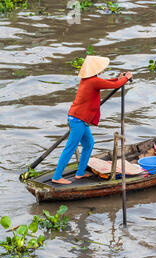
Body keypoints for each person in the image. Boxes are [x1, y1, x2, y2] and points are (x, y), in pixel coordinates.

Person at [51, 55, 133, 184]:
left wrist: (119, 78)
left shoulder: (89, 79)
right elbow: (115, 85)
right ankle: (56, 177)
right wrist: (126, 78)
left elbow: (109, 82)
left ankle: (80, 172)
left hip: (79, 119)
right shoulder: (93, 81)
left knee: (89, 144)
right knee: (70, 148)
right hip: (78, 120)